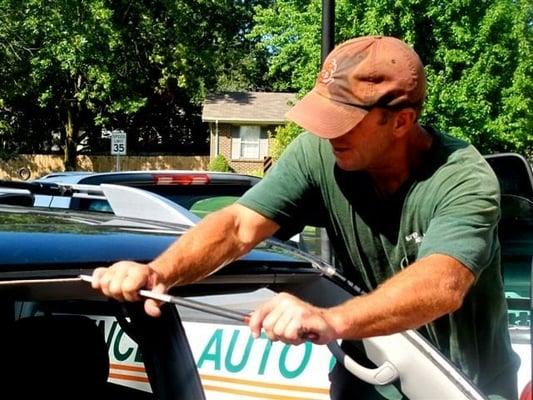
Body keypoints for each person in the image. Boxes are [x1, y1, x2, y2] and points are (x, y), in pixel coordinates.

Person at [91, 36, 519, 399]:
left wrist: (329, 319)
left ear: (401, 121)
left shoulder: (462, 177)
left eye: (345, 121)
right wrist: (160, 272)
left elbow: (443, 283)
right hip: (366, 381)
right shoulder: (319, 154)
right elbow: (239, 225)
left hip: (462, 385)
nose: (329, 132)